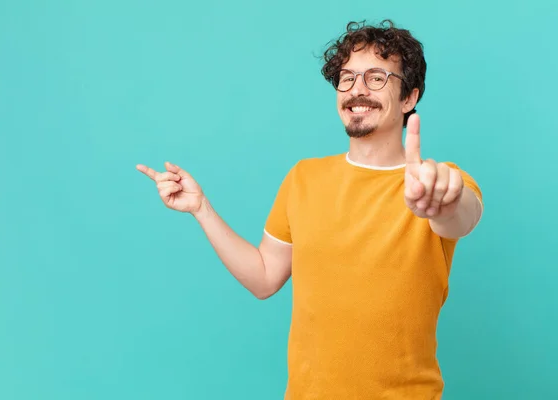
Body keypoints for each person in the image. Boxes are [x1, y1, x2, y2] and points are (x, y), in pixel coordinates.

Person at [137, 19, 483, 400]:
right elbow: (264, 278)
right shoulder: (304, 177)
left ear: (409, 98)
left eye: (377, 78)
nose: (357, 90)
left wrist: (443, 202)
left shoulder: (438, 182)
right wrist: (201, 209)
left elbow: (460, 217)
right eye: (347, 78)